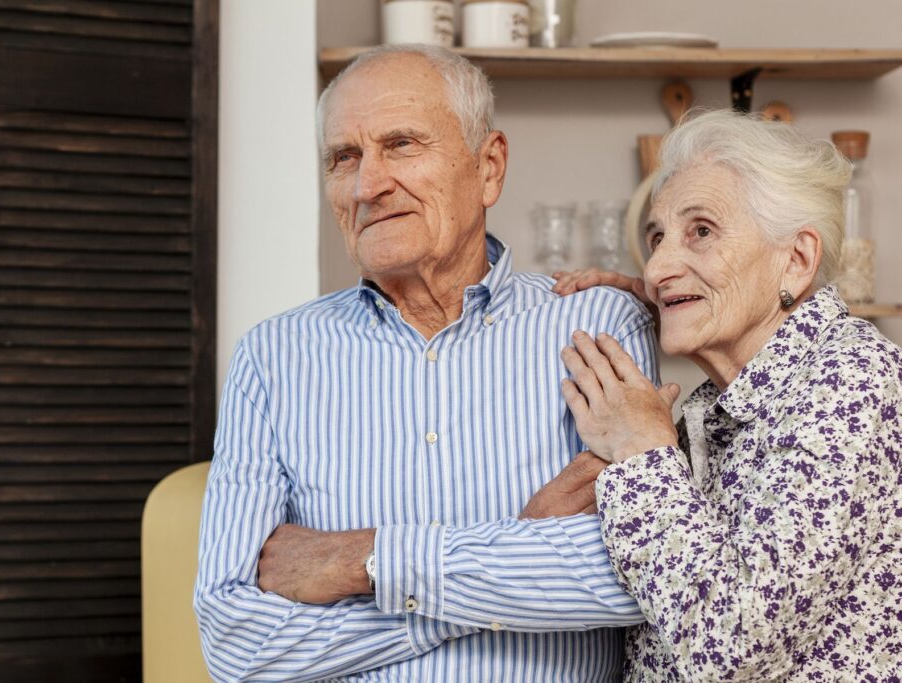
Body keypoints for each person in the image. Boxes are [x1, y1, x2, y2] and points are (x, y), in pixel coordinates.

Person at [193, 44, 659, 681]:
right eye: (344, 157)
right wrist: (516, 550)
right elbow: (234, 643)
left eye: (403, 144)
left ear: (488, 167)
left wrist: (364, 561)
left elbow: (631, 581)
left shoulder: (598, 325)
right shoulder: (273, 357)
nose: (368, 185)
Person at [550, 109, 902, 681]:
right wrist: (671, 302)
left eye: (702, 231)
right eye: (656, 237)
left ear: (797, 259)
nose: (658, 265)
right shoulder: (717, 403)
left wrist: (642, 449)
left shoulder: (854, 380)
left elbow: (734, 647)